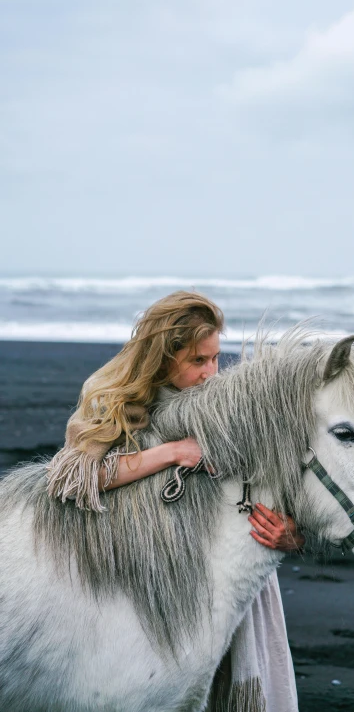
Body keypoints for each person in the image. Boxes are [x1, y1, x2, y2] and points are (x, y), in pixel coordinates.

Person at [47, 290, 303, 711]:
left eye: (216, 358)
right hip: (150, 579)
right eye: (197, 361)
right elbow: (75, 480)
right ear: (163, 358)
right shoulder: (111, 399)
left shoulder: (227, 404)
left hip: (230, 581)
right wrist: (171, 452)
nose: (211, 373)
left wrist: (294, 533)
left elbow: (279, 479)